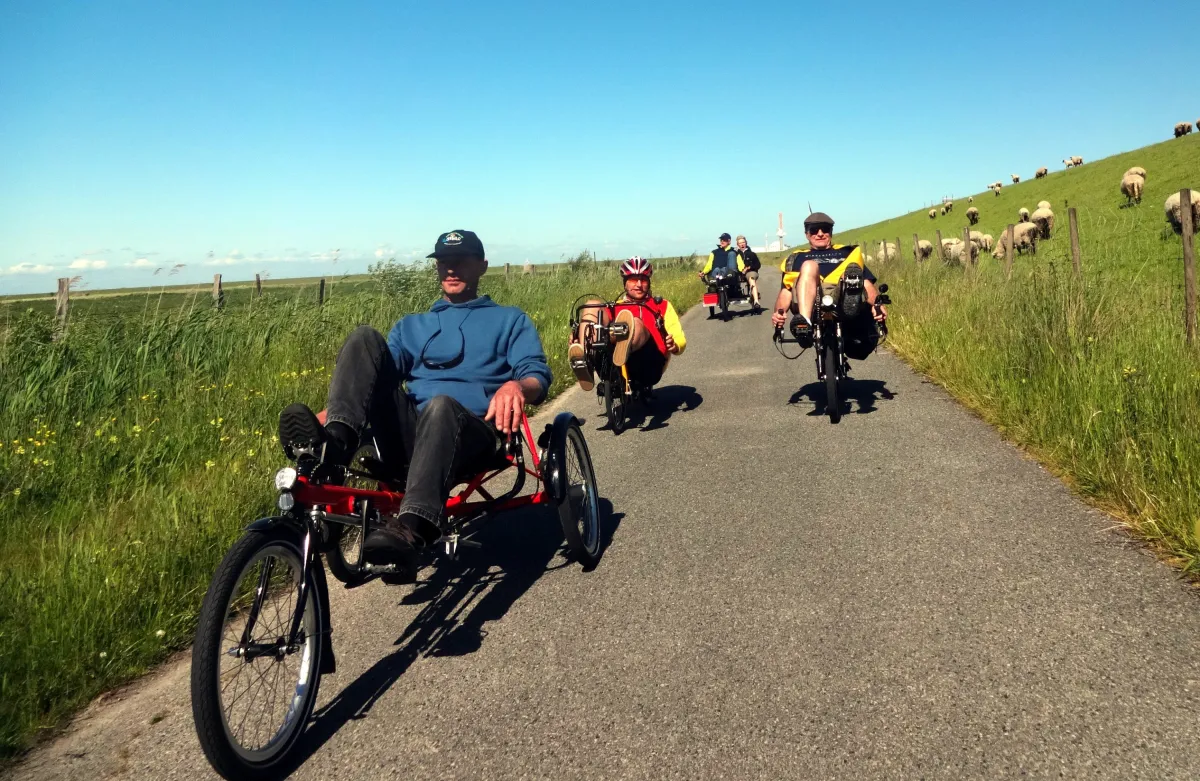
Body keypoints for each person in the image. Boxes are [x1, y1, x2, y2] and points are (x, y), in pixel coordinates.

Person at [277, 229, 552, 580]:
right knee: (364, 338)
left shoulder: (510, 319)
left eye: (461, 262)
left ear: (482, 267)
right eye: (443, 263)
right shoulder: (411, 327)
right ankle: (335, 447)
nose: (451, 270)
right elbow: (373, 382)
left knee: (440, 406)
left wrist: (517, 386)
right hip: (410, 436)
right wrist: (332, 415)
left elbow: (536, 374)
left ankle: (413, 524)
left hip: (474, 434)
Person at [770, 212, 888, 359]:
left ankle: (849, 304)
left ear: (831, 232)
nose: (820, 234)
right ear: (807, 234)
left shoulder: (847, 252)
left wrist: (877, 304)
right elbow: (787, 289)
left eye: (825, 229)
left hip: (840, 293)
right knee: (809, 266)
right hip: (809, 298)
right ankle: (804, 325)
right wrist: (779, 313)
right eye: (814, 230)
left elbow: (865, 282)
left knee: (852, 272)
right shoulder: (796, 257)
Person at [568, 256, 686, 393]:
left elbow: (679, 336)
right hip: (613, 363)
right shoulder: (614, 308)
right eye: (633, 280)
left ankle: (624, 349)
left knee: (634, 322)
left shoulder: (661, 305)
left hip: (649, 364)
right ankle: (584, 358)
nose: (639, 285)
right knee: (591, 305)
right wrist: (580, 335)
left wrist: (675, 345)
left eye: (643, 280)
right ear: (625, 283)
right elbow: (597, 323)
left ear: (649, 282)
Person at [735, 235, 762, 312]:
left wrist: (749, 267)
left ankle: (756, 301)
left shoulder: (752, 254)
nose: (742, 244)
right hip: (739, 273)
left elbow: (758, 265)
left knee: (751, 279)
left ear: (746, 243)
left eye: (743, 242)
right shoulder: (735, 254)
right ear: (737, 244)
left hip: (751, 272)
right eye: (740, 243)